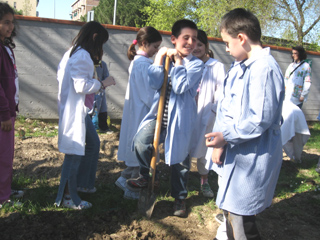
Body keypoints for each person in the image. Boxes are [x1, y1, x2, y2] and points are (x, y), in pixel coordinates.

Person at [205, 8, 284, 239]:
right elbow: (229, 108)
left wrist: (226, 137)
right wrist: (222, 143)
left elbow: (259, 119)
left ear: (242, 38)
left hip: (251, 157)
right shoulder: (242, 65)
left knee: (242, 218)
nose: (226, 49)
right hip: (236, 153)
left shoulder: (264, 69)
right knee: (233, 211)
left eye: (227, 43)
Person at [126, 19, 204, 217]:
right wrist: (160, 57)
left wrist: (178, 63)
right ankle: (148, 175)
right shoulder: (165, 57)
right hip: (159, 116)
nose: (190, 42)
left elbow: (179, 86)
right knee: (141, 142)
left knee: (181, 162)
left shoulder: (196, 65)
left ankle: (180, 198)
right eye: (185, 37)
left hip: (181, 120)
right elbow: (153, 82)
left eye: (194, 39)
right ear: (174, 39)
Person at [55, 21, 114, 210]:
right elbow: (81, 86)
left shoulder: (72, 52)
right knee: (73, 153)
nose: (101, 48)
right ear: (95, 38)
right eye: (101, 43)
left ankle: (82, 185)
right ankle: (67, 197)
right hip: (75, 112)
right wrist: (102, 84)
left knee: (93, 143)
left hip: (78, 110)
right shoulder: (82, 55)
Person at [116, 27, 162, 200]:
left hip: (137, 110)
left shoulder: (138, 62)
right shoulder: (144, 65)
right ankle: (131, 190)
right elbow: (148, 94)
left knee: (134, 149)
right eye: (155, 47)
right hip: (143, 112)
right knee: (139, 153)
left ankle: (123, 179)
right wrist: (160, 107)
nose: (157, 51)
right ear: (144, 43)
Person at [190, 30, 225, 198]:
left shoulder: (216, 66)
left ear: (206, 46)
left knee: (205, 151)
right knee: (185, 148)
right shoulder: (186, 63)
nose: (196, 48)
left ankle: (204, 181)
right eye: (193, 44)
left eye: (200, 44)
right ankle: (182, 182)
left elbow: (221, 93)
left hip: (206, 116)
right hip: (188, 115)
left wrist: (213, 110)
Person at [0, 2, 24, 208]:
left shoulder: (5, 46)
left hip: (8, 111)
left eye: (12, 23)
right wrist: (5, 113)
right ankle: (2, 197)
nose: (10, 27)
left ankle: (5, 189)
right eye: (6, 22)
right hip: (2, 114)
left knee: (7, 154)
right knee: (3, 156)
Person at [90, 60, 115, 133]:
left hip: (101, 90)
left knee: (103, 108)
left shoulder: (103, 64)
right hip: (91, 91)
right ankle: (91, 128)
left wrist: (104, 84)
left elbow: (106, 77)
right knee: (91, 109)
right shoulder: (88, 63)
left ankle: (103, 127)